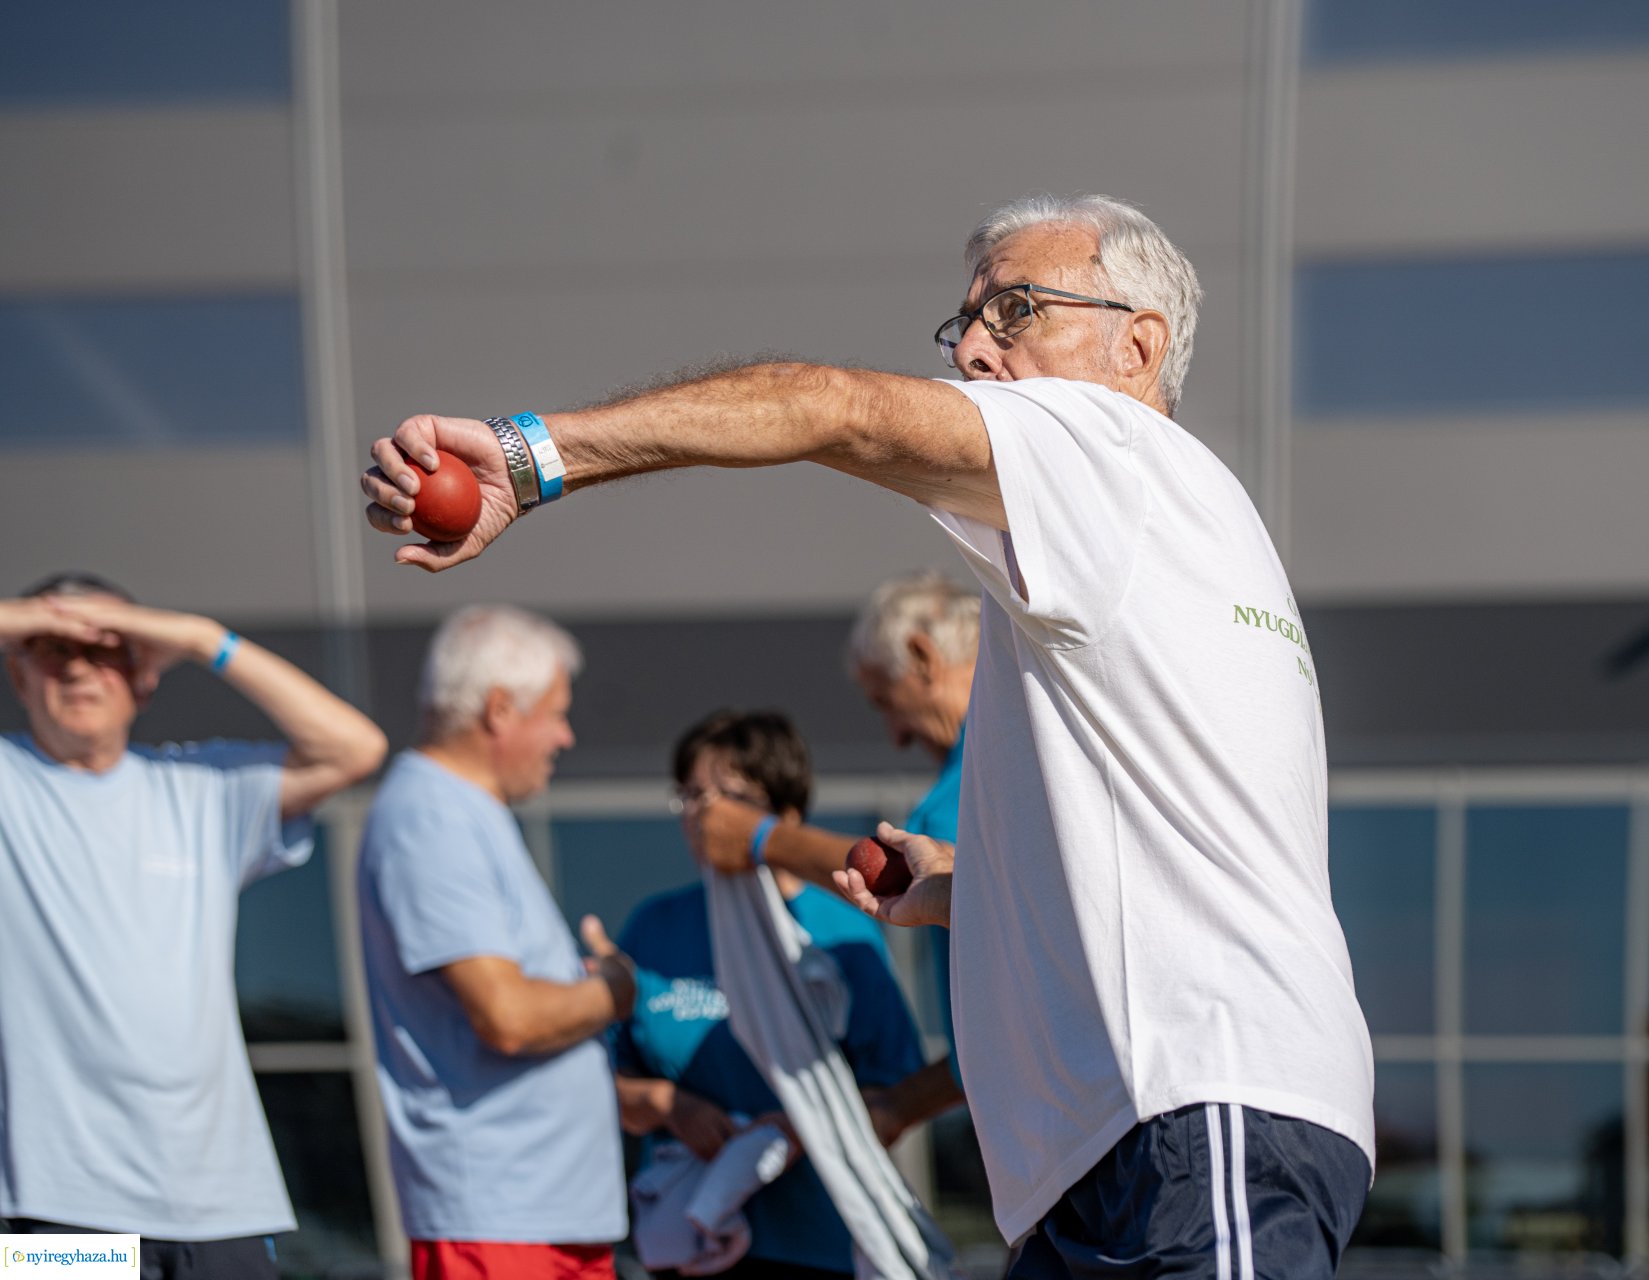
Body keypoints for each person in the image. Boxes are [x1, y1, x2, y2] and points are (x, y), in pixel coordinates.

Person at [363, 193, 1376, 1277]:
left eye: (1019, 307)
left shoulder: (1112, 449)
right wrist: (961, 882)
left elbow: (831, 407)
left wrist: (530, 455)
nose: (978, 346)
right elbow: (1172, 853)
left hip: (1196, 1101)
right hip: (1126, 1137)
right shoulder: (1156, 534)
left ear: (1139, 346)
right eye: (968, 319)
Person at [0, 572, 388, 1277]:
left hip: (222, 1208)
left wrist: (200, 637)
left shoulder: (201, 787)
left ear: (146, 675)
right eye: (52, 647)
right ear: (17, 670)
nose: (80, 665)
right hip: (58, 1211)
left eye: (110, 647)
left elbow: (354, 748)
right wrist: (21, 617)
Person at [357, 605, 632, 1280]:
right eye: (556, 712)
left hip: (531, 1219)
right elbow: (507, 1017)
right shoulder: (432, 818)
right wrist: (616, 991)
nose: (565, 736)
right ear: (500, 709)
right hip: (503, 1228)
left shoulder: (460, 811)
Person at [611, 709, 925, 1279]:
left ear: (785, 815)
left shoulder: (839, 931)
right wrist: (668, 1105)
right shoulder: (654, 927)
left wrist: (803, 1127)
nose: (704, 815)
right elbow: (604, 1080)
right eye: (690, 795)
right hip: (687, 1242)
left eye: (728, 796)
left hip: (816, 1244)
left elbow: (896, 1088)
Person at [685, 572, 977, 1142]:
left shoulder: (981, 779)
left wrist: (759, 837)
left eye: (885, 702)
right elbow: (997, 1025)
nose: (894, 735)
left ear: (923, 657)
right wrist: (895, 1107)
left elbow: (894, 879)